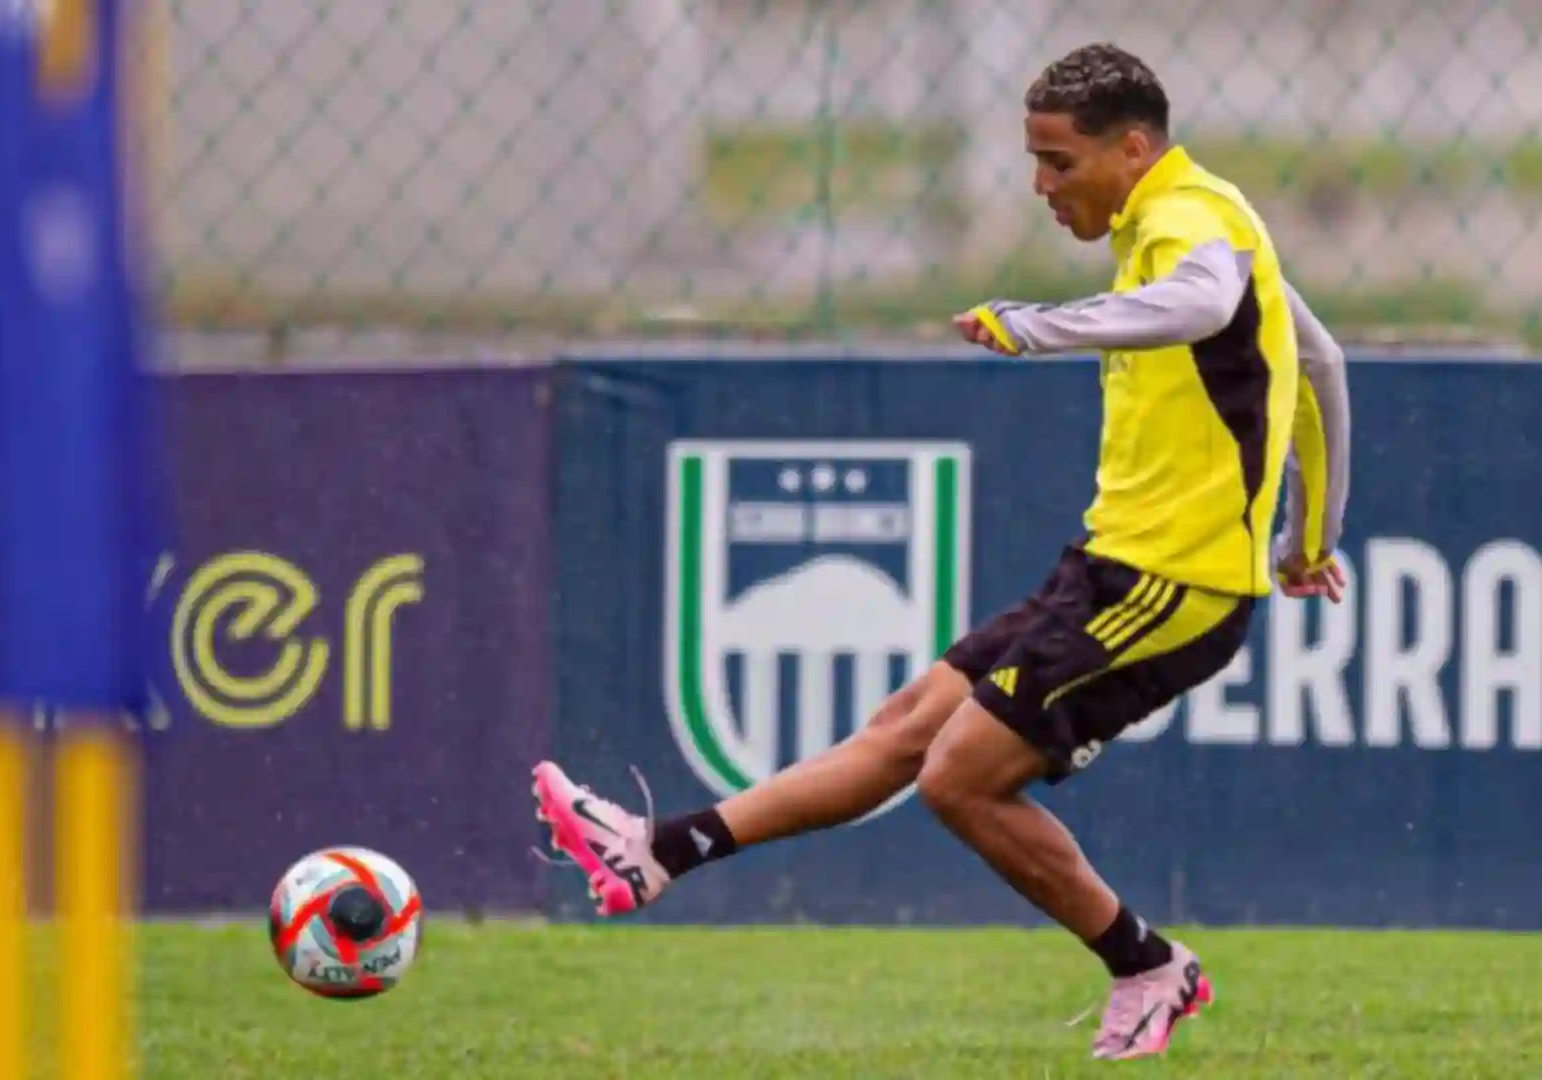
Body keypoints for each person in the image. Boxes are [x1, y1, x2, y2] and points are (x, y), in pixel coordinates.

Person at [530, 42, 1351, 1062]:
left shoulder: (1191, 221)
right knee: (909, 724)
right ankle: (662, 851)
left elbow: (1201, 307)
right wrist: (1309, 540)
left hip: (1171, 586)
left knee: (960, 778)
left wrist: (1037, 328)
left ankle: (1147, 964)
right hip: (1111, 564)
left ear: (1134, 148)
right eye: (1035, 160)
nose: (1042, 186)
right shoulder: (1195, 215)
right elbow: (1317, 359)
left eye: (1059, 162)